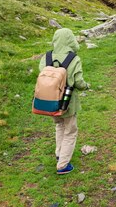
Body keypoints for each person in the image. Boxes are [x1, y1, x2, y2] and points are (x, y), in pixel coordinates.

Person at [38, 28, 89, 175]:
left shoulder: (46, 57)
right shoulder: (74, 59)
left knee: (59, 126)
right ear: (70, 40)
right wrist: (86, 86)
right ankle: (63, 165)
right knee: (70, 130)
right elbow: (78, 82)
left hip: (50, 100)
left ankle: (59, 153)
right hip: (67, 102)